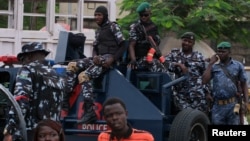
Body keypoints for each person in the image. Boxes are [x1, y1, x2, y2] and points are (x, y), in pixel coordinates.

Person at [62, 5, 126, 124]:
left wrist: (113, 58)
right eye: (95, 15)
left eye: (99, 15)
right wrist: (95, 56)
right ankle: (65, 101)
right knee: (71, 65)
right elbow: (95, 47)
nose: (97, 17)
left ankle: (90, 112)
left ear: (105, 15)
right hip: (99, 58)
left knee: (83, 76)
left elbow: (123, 44)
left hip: (109, 59)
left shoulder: (113, 27)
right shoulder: (98, 31)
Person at [3, 42, 65, 141]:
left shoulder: (27, 70)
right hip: (53, 133)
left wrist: (10, 130)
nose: (23, 63)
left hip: (31, 132)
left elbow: (21, 101)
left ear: (29, 56)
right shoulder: (56, 75)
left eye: (22, 59)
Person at [202, 41, 248, 125]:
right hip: (217, 107)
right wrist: (210, 64)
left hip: (233, 106)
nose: (220, 54)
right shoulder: (214, 67)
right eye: (219, 51)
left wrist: (246, 102)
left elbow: (243, 84)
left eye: (223, 52)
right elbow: (204, 80)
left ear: (229, 52)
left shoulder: (237, 66)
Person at [164, 32, 209, 114]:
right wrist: (178, 64)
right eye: (185, 40)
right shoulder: (174, 54)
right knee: (184, 120)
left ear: (193, 43)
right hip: (181, 95)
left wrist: (208, 92)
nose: (186, 43)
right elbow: (164, 64)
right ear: (182, 40)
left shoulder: (199, 57)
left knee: (198, 119)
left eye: (189, 42)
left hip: (197, 95)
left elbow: (206, 76)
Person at [127, 2, 166, 72]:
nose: (143, 17)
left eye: (145, 15)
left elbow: (156, 43)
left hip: (152, 56)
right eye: (141, 15)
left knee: (168, 65)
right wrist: (133, 60)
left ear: (150, 13)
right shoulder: (136, 27)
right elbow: (131, 45)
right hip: (140, 58)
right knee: (157, 66)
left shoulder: (153, 26)